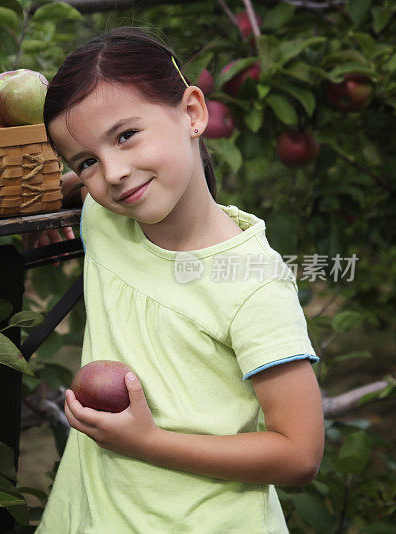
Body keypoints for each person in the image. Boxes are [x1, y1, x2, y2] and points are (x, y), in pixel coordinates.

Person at [35, 26, 324, 533]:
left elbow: (299, 454)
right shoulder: (105, 216)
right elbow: (77, 187)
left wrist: (146, 442)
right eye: (88, 161)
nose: (115, 172)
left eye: (126, 135)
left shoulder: (252, 283)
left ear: (193, 113)